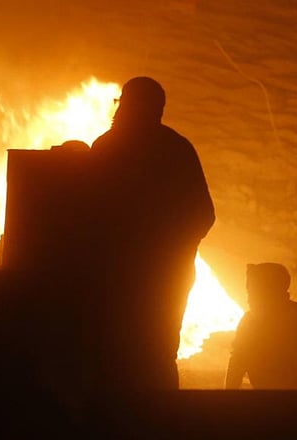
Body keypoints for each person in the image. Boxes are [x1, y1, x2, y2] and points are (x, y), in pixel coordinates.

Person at [83, 76, 215, 392]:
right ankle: (162, 422)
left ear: (126, 106)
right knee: (158, 356)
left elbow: (88, 217)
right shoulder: (178, 149)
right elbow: (204, 215)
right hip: (168, 277)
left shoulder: (106, 148)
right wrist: (176, 251)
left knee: (115, 357)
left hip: (118, 281)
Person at [225, 263, 297, 390]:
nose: (249, 299)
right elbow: (237, 361)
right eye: (249, 292)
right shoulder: (250, 321)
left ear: (270, 292)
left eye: (254, 292)